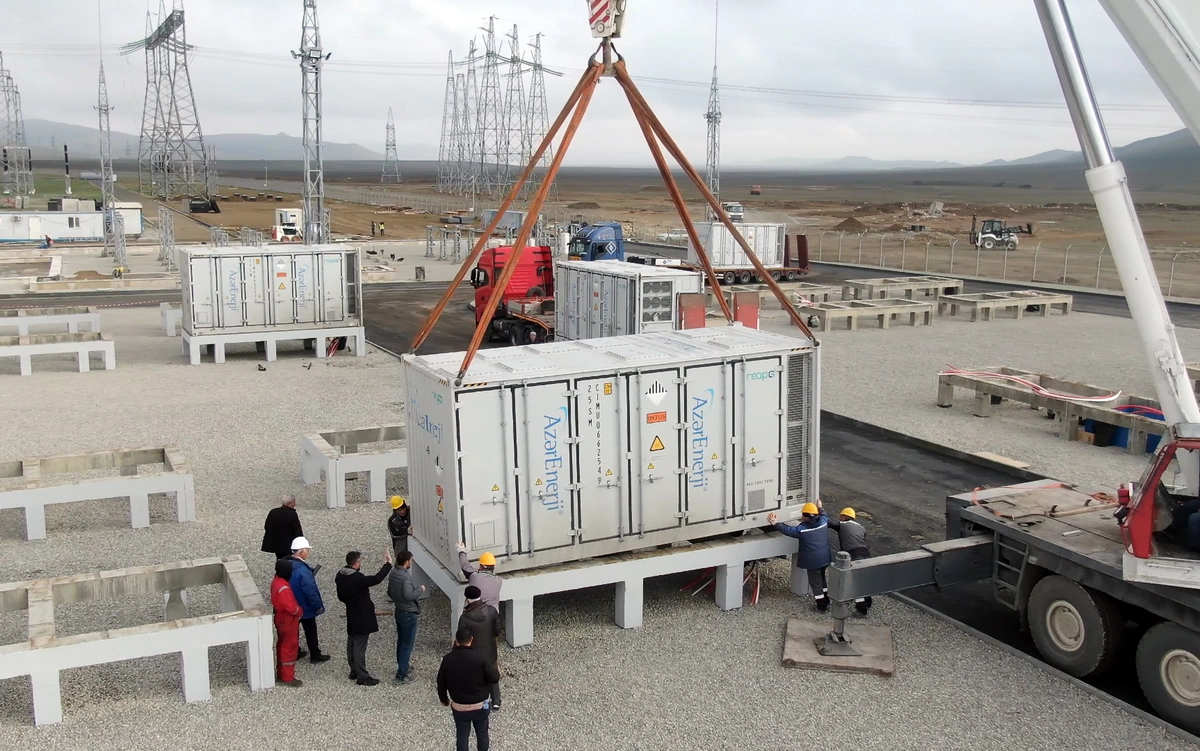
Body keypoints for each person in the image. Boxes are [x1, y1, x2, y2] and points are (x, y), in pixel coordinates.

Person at [335, 548, 393, 686]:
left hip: (351, 612)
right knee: (360, 646)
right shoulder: (357, 579)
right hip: (361, 615)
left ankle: (354, 670)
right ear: (356, 564)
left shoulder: (340, 575)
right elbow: (376, 579)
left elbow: (341, 597)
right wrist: (388, 564)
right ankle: (362, 676)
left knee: (352, 641)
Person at [438, 626, 500, 751]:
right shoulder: (480, 658)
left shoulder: (448, 659)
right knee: (482, 734)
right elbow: (494, 678)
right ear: (471, 640)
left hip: (460, 706)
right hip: (480, 705)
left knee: (462, 735)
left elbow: (441, 682)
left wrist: (444, 698)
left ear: (456, 640)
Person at [768, 500, 833, 611]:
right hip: (825, 558)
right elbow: (824, 514)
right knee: (822, 579)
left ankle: (821, 606)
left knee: (815, 584)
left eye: (803, 515)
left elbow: (788, 530)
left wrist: (775, 523)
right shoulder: (823, 521)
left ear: (807, 517)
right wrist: (820, 507)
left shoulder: (803, 530)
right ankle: (827, 599)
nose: (802, 517)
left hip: (813, 562)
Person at [387, 549, 430, 683]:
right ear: (406, 562)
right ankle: (401, 674)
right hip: (408, 613)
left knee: (401, 641)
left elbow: (390, 592)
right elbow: (409, 595)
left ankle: (402, 665)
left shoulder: (393, 572)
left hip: (399, 610)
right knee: (407, 644)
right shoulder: (405, 577)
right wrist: (420, 589)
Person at [457, 585, 502, 711]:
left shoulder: (465, 618)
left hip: (473, 654)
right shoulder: (492, 610)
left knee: (476, 677)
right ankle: (496, 700)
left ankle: (479, 699)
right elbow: (497, 630)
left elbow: (462, 637)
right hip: (490, 651)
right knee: (492, 674)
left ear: (467, 599)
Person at [289, 536, 331, 663]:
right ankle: (315, 655)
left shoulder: (287, 565)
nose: (308, 552)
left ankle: (295, 652)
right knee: (311, 631)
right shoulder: (303, 571)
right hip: (305, 606)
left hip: (292, 605)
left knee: (293, 631)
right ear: (301, 551)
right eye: (307, 550)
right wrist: (318, 606)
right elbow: (310, 592)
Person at [828, 506, 873, 615]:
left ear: (844, 517)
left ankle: (861, 609)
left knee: (855, 584)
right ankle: (868, 602)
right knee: (864, 580)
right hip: (866, 554)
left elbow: (828, 523)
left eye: (841, 516)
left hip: (854, 555)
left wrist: (819, 510)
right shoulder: (861, 528)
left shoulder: (842, 525)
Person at [270, 559, 303, 687]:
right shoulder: (283, 587)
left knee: (282, 644)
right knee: (289, 647)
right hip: (287, 620)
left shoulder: (276, 582)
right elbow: (291, 607)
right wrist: (299, 611)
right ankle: (288, 677)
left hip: (280, 618)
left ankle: (281, 673)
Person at [456, 544, 502, 613]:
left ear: (481, 566)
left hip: (474, 613)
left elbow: (465, 566)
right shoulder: (499, 580)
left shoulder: (474, 576)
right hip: (492, 615)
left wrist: (461, 551)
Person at [261, 495, 304, 559]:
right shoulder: (292, 514)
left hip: (275, 543)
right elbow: (297, 530)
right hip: (288, 544)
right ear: (289, 503)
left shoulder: (273, 512)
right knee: (289, 561)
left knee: (280, 559)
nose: (295, 504)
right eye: (294, 502)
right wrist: (300, 543)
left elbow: (267, 526)